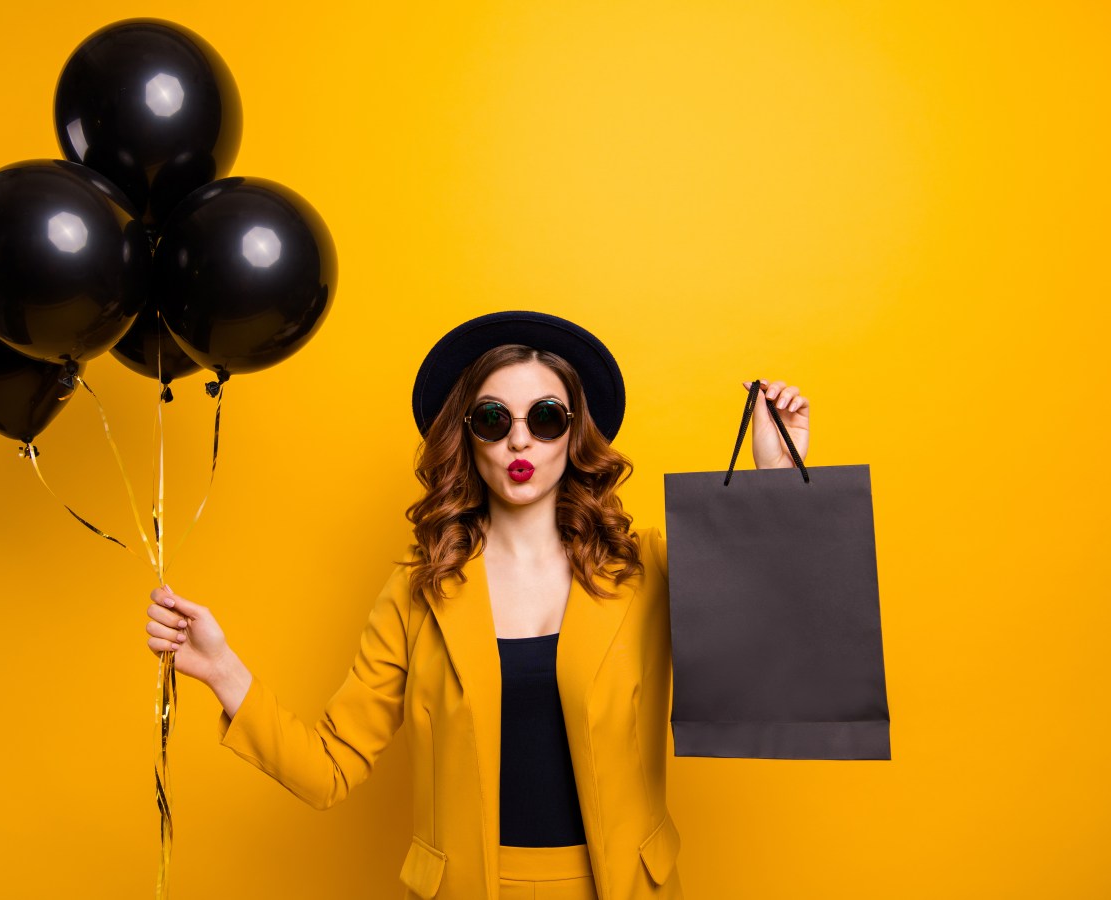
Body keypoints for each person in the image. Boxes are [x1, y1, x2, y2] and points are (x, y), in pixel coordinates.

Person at [145, 311, 810, 900]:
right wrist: (224, 671)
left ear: (574, 435)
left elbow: (768, 639)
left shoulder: (645, 567)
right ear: (466, 437)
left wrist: (775, 479)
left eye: (545, 418)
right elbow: (330, 768)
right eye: (495, 420)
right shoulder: (418, 590)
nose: (521, 441)